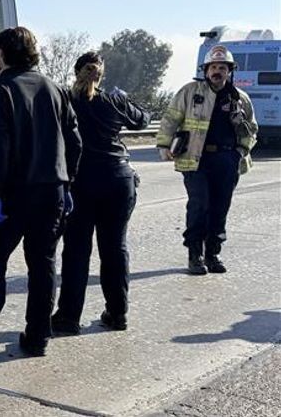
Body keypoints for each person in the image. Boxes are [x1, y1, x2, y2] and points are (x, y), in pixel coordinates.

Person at [0, 27, 81, 358]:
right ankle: (38, 337)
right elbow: (74, 142)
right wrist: (66, 183)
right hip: (51, 191)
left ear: (1, 53)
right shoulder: (55, 89)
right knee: (43, 265)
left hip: (10, 194)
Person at [53, 52, 150, 335]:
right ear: (101, 74)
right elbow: (142, 119)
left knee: (76, 251)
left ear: (76, 72)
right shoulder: (114, 101)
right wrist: (126, 98)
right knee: (115, 248)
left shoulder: (66, 101)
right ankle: (117, 313)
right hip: (118, 179)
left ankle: (69, 317)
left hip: (82, 181)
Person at [156, 45, 257, 274]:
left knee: (220, 208)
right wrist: (164, 144)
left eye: (222, 67)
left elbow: (252, 130)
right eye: (213, 67)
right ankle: (195, 255)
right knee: (199, 205)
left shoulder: (240, 98)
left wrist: (240, 151)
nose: (217, 71)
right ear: (206, 70)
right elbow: (171, 118)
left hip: (227, 159)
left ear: (230, 71)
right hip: (195, 160)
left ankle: (213, 253)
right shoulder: (190, 92)